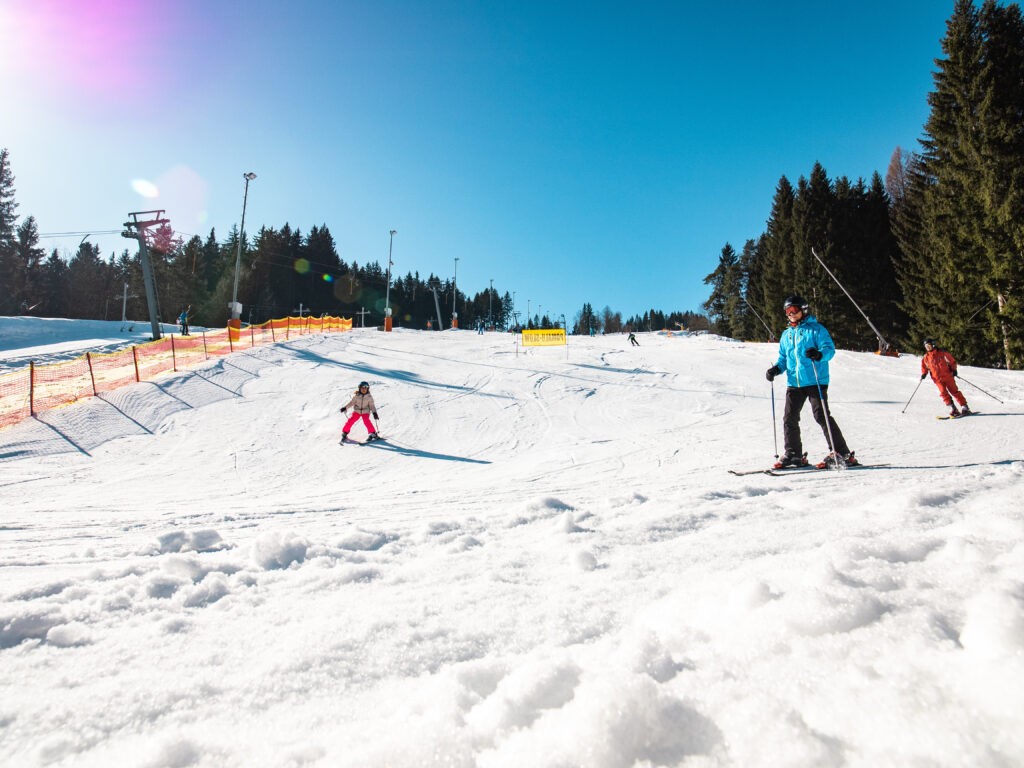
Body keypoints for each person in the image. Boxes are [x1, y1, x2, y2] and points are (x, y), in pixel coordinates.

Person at [765, 295, 857, 469]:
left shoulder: (816, 329)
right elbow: (783, 358)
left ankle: (841, 452)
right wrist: (776, 369)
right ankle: (793, 454)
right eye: (788, 311)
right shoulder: (786, 335)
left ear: (803, 310)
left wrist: (819, 354)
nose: (791, 314)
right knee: (789, 418)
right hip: (794, 382)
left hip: (815, 380)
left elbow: (829, 349)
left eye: (794, 310)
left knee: (821, 415)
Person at [921, 338, 969, 417]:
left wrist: (954, 370)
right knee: (943, 393)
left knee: (954, 392)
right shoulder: (926, 357)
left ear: (933, 345)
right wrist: (924, 374)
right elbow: (924, 367)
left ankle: (964, 407)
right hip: (937, 379)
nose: (927, 347)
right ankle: (952, 408)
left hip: (948, 376)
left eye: (929, 345)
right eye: (926, 346)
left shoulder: (942, 353)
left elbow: (952, 361)